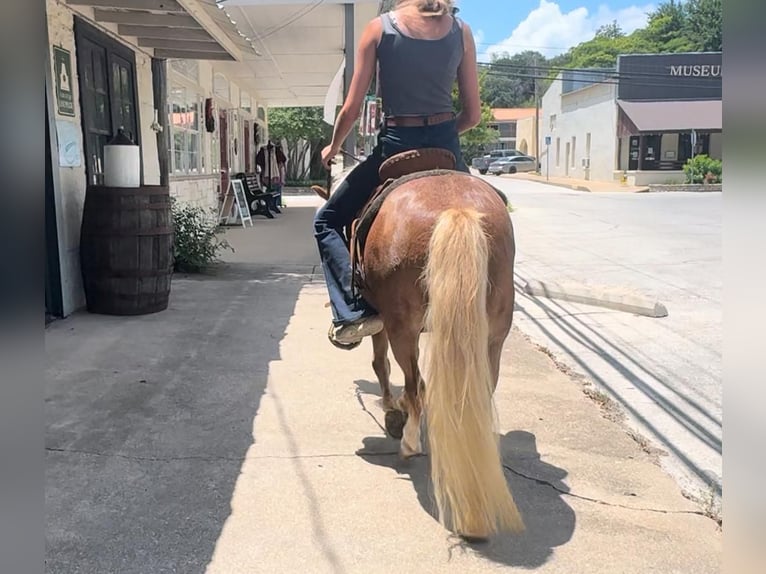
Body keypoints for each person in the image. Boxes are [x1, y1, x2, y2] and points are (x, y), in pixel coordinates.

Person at [314, 0, 482, 348]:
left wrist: (333, 147)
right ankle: (486, 297)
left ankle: (351, 312)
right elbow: (473, 115)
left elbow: (351, 108)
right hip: (447, 148)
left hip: (395, 146)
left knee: (327, 221)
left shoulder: (379, 28)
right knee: (492, 214)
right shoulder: (461, 31)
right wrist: (443, 136)